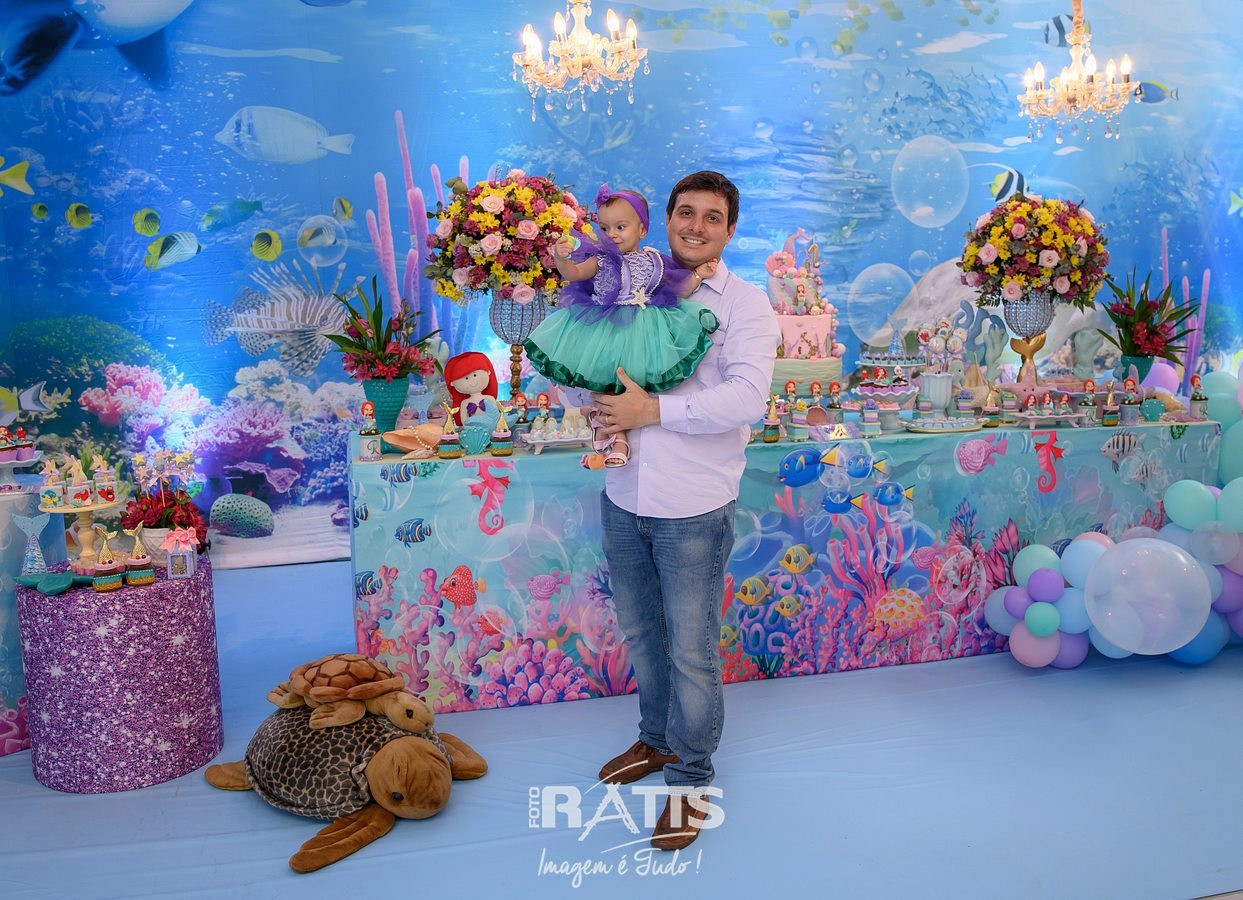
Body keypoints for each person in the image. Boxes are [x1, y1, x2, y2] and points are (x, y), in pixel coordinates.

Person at [590, 171, 779, 851]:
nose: (696, 226)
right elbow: (592, 366)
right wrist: (583, 389)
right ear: (665, 219)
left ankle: (691, 778)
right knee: (642, 636)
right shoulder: (627, 288)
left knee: (692, 652)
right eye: (685, 212)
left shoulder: (746, 305)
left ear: (729, 230)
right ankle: (655, 740)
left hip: (692, 506)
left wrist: (653, 411)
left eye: (711, 217)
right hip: (622, 495)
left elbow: (746, 398)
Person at [524, 184, 720, 467]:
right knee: (605, 378)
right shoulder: (601, 260)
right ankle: (614, 436)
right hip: (605, 329)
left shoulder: (655, 261)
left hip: (644, 332)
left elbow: (677, 290)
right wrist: (561, 258)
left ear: (642, 230)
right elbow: (575, 273)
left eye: (620, 227)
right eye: (605, 228)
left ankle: (611, 431)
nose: (612, 234)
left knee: (630, 382)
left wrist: (699, 275)